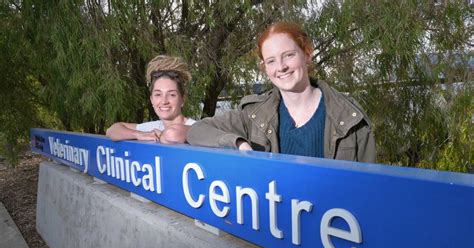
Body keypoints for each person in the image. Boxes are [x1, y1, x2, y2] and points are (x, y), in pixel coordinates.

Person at [187, 21, 376, 162]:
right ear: (265, 67)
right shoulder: (252, 115)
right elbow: (197, 131)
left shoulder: (351, 118)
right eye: (271, 61)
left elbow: (370, 189)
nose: (281, 67)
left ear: (307, 55)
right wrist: (237, 143)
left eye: (289, 55)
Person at [106, 55, 195, 144]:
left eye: (172, 95)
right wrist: (139, 134)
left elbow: (172, 134)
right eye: (158, 94)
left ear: (183, 99)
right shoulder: (154, 127)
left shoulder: (197, 128)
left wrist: (161, 137)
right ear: (151, 99)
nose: (164, 101)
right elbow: (112, 130)